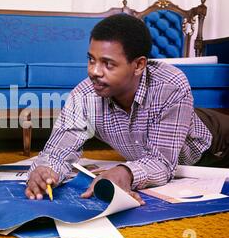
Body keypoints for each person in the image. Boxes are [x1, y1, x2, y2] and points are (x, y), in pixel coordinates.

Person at [25, 14, 229, 204]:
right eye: (91, 59)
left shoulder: (170, 86)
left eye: (108, 64)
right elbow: (59, 151)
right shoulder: (84, 95)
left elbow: (162, 163)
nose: (93, 71)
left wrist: (125, 172)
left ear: (139, 65)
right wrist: (45, 169)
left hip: (216, 147)